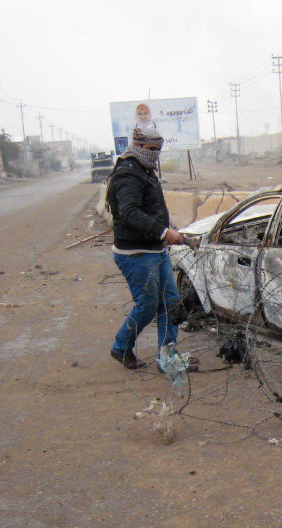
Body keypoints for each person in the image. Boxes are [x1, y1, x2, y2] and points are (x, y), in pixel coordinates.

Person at [106, 126, 187, 370]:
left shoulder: (145, 170)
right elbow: (129, 212)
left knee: (171, 302)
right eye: (152, 149)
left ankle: (167, 357)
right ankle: (121, 348)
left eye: (159, 149)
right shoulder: (127, 174)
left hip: (155, 249)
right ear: (138, 145)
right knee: (148, 305)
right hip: (136, 254)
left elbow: (154, 206)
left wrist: (171, 227)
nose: (156, 154)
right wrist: (163, 232)